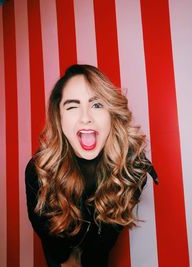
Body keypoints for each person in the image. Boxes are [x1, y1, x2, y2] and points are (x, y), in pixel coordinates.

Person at [25, 64, 158, 267]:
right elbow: (43, 228)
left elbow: (108, 238)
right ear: (59, 119)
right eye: (72, 106)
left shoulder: (132, 170)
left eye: (97, 105)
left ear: (111, 114)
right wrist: (64, 259)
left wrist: (89, 261)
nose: (85, 117)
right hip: (58, 254)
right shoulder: (39, 170)